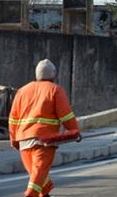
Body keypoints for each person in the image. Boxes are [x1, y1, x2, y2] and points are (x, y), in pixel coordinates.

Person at [8, 59, 80, 197]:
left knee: (38, 176)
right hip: (44, 141)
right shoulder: (55, 90)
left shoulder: (22, 91)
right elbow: (66, 116)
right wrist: (75, 132)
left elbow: (13, 119)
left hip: (23, 141)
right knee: (37, 177)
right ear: (53, 75)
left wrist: (13, 140)